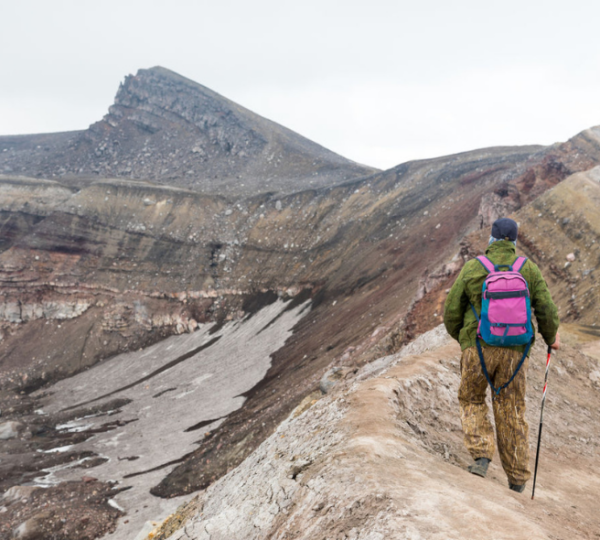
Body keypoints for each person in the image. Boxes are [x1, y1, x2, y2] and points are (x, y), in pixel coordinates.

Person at [443, 217, 560, 493]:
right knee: (512, 409)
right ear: (515, 241)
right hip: (516, 353)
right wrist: (551, 337)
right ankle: (517, 480)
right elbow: (546, 308)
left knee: (471, 398)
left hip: (478, 347)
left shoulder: (474, 268)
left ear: (491, 239)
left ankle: (481, 456)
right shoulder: (527, 269)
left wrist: (464, 339)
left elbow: (451, 311)